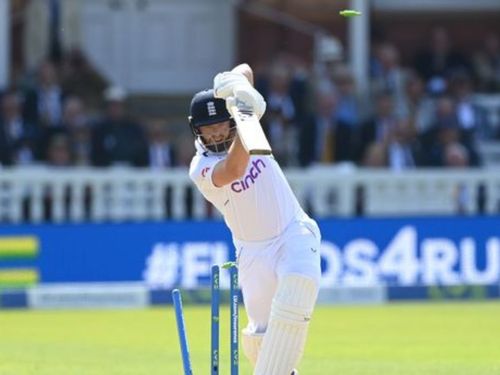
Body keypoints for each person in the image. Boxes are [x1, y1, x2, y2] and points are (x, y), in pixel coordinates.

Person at [188, 63, 321, 375]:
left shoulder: (244, 120)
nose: (217, 131)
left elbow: (246, 69)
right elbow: (234, 170)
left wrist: (234, 87)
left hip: (293, 231)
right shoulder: (200, 168)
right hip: (252, 253)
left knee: (298, 288)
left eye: (222, 123)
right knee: (260, 337)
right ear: (197, 131)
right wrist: (249, 119)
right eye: (209, 128)